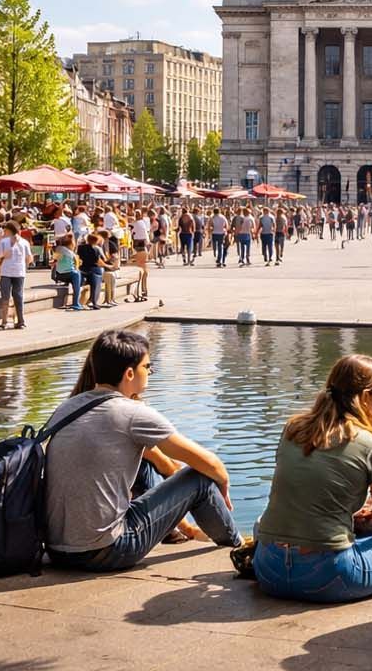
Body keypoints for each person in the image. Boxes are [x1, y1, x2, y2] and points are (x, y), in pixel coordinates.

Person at [44, 330, 240, 571]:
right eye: (147, 366)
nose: (150, 372)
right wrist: (223, 483)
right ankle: (239, 548)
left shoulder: (67, 407)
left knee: (145, 464)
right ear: (129, 373)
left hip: (56, 550)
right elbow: (208, 464)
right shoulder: (132, 413)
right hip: (105, 550)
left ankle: (193, 535)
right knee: (199, 477)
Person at [253, 355, 372, 602]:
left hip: (268, 571)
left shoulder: (292, 428)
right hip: (328, 578)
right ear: (364, 397)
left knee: (264, 522)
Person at [0, 220, 33, 330]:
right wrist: (24, 265)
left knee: (6, 297)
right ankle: (20, 321)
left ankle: (4, 322)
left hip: (7, 272)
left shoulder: (4, 242)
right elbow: (29, 258)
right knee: (18, 296)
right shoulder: (24, 242)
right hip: (19, 272)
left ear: (9, 231)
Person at [54, 234, 83, 311]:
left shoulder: (58, 249)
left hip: (59, 274)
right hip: (70, 274)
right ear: (70, 243)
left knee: (76, 273)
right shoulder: (71, 253)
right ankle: (76, 303)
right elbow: (77, 265)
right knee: (77, 274)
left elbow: (55, 261)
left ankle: (76, 302)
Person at [78, 232, 105, 310]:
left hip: (83, 268)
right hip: (94, 269)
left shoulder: (80, 247)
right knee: (96, 285)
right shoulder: (96, 248)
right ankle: (94, 302)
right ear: (96, 241)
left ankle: (79, 301)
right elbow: (100, 260)